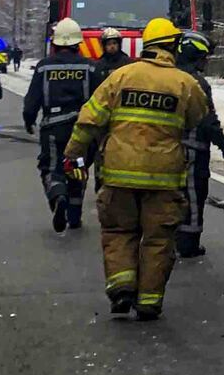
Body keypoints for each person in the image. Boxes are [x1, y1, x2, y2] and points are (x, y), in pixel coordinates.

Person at [62, 17, 209, 320]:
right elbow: (197, 118)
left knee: (118, 231)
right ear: (172, 46)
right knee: (158, 239)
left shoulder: (120, 76)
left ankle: (121, 289)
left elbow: (89, 119)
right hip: (164, 178)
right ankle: (149, 301)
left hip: (118, 174)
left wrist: (72, 155)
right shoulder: (185, 83)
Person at [23, 17, 99, 233]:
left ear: (55, 43)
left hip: (53, 128)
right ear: (78, 43)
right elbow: (100, 101)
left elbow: (32, 100)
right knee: (77, 168)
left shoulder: (44, 67)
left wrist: (29, 121)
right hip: (83, 129)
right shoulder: (90, 67)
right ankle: (74, 216)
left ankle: (58, 198)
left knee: (52, 167)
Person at [173, 32, 224, 258]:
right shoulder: (197, 83)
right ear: (194, 56)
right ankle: (188, 243)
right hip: (193, 150)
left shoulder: (169, 77)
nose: (205, 62)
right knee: (194, 195)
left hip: (167, 149)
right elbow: (208, 119)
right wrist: (223, 145)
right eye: (203, 57)